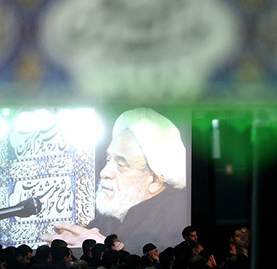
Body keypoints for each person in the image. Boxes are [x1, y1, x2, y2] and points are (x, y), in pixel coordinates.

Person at [43, 108, 188, 254]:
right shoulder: (108, 218)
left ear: (155, 181)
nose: (104, 173)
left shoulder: (177, 219)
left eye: (121, 164)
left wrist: (104, 248)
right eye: (108, 159)